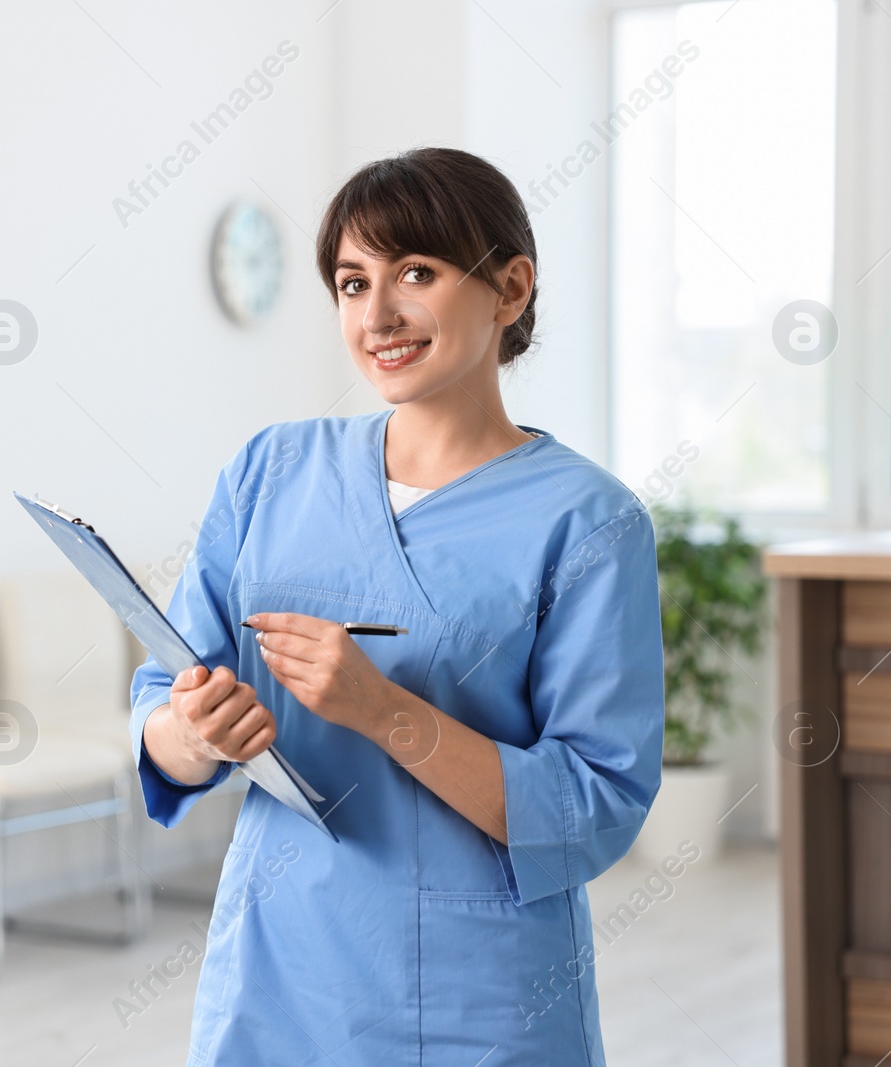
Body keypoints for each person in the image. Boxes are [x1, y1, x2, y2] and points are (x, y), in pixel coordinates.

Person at [129, 147, 664, 1065]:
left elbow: (597, 798)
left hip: (476, 993)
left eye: (415, 272)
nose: (377, 316)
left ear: (510, 288)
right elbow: (163, 699)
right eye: (351, 281)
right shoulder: (272, 471)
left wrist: (384, 713)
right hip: (275, 967)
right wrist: (193, 734)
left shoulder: (589, 520)